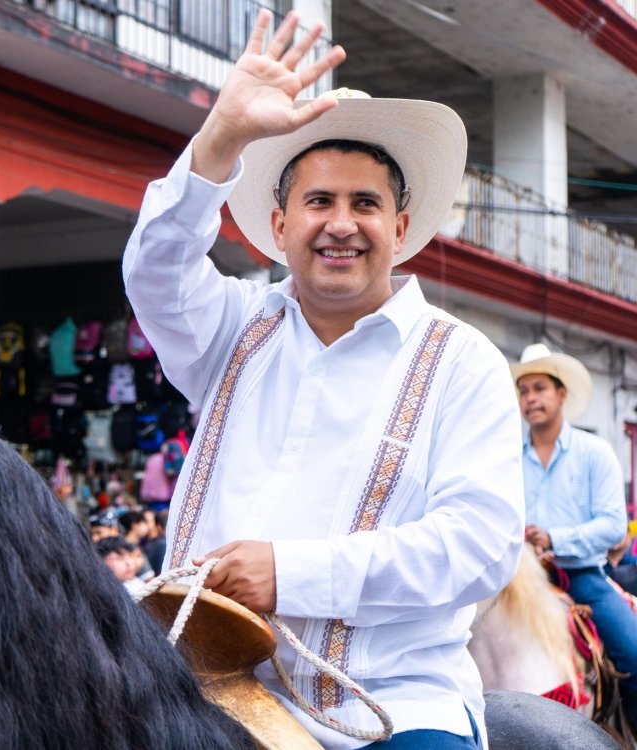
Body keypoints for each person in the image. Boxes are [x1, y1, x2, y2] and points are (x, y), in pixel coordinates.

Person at [122, 9, 524, 749]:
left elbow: (479, 546)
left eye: (365, 203)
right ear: (281, 228)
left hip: (390, 709)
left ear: (399, 229)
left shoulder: (462, 362)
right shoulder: (233, 328)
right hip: (197, 688)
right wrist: (221, 136)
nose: (342, 223)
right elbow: (154, 272)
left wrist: (289, 573)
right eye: (319, 202)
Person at [512, 342, 637, 729]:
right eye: (524, 390)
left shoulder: (594, 452)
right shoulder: (508, 458)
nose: (530, 398)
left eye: (539, 388)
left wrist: (553, 539)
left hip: (581, 578)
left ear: (561, 393)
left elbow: (613, 524)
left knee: (634, 656)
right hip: (515, 581)